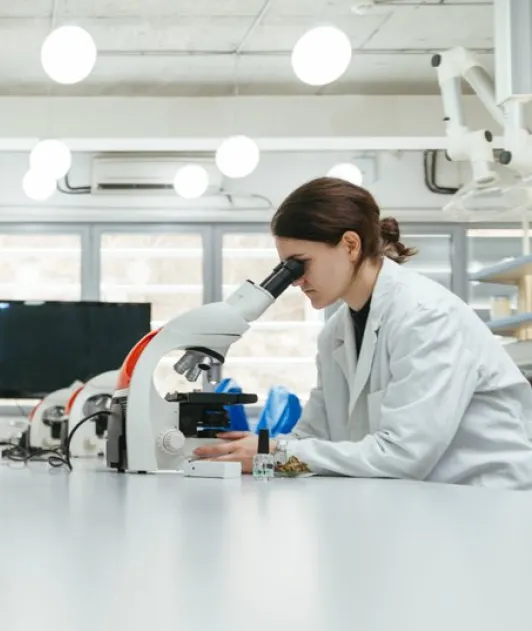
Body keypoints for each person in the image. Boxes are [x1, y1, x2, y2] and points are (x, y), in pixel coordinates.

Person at [194, 176, 532, 489]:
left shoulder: (426, 316)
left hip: (489, 500)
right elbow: (312, 435)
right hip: (425, 503)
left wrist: (276, 454)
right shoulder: (336, 333)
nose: (294, 280)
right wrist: (263, 448)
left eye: (300, 263)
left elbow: (403, 455)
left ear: (350, 245)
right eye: (286, 268)